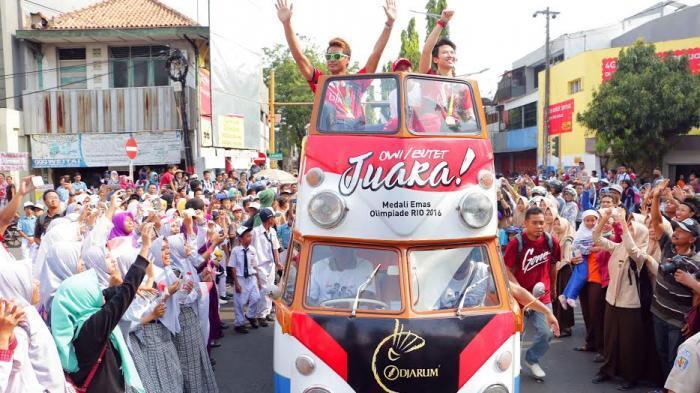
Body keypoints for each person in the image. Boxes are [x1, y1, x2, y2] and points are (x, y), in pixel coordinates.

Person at [50, 225, 155, 393]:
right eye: (93, 291)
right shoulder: (93, 326)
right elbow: (122, 298)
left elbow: (111, 293)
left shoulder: (76, 324)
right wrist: (145, 249)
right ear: (83, 298)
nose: (99, 294)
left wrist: (126, 288)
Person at [591, 207, 655, 390]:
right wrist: (604, 219)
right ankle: (608, 370)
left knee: (628, 343)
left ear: (640, 233)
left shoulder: (642, 255)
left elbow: (632, 249)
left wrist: (622, 224)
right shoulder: (618, 247)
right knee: (610, 338)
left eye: (633, 229)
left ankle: (630, 377)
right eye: (628, 228)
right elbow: (596, 239)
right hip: (612, 300)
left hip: (630, 304)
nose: (628, 230)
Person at [275, 0, 396, 92]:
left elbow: (376, 54)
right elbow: (300, 58)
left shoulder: (356, 82)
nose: (332, 59)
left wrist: (389, 24)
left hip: (355, 126)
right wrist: (287, 24)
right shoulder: (321, 82)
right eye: (329, 56)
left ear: (347, 60)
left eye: (337, 56)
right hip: (327, 126)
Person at [503, 207, 561, 379]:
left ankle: (531, 359)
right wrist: (518, 290)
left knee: (547, 332)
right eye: (534, 223)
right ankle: (512, 363)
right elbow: (506, 270)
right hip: (519, 296)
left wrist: (554, 288)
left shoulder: (552, 242)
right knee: (516, 333)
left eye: (541, 222)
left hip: (542, 295)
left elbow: (553, 266)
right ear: (525, 223)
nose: (539, 226)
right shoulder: (516, 243)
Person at [230, 226, 262, 334]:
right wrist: (236, 283)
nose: (250, 238)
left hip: (251, 278)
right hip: (240, 278)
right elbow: (233, 267)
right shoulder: (235, 251)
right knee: (240, 302)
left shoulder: (252, 250)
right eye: (247, 236)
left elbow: (255, 266)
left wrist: (258, 281)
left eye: (250, 235)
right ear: (241, 239)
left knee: (256, 298)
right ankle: (239, 323)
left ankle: (250, 315)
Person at [253, 208, 282, 325]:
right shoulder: (255, 232)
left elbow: (275, 248)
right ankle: (260, 315)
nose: (274, 219)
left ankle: (267, 311)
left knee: (270, 289)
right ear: (269, 219)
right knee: (263, 290)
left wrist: (278, 262)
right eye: (273, 217)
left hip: (270, 264)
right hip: (259, 264)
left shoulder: (272, 231)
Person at [418, 9, 456, 76]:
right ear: (435, 59)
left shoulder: (462, 85)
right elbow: (426, 52)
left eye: (452, 52)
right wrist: (442, 22)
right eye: (445, 52)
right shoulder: (429, 78)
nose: (450, 55)